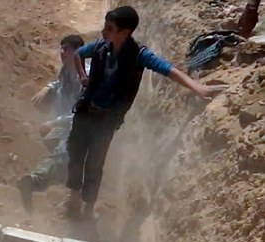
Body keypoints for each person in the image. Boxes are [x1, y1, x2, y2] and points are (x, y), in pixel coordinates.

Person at [65, 6, 226, 220]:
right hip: (85, 111)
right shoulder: (101, 46)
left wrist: (197, 87)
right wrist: (82, 76)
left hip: (106, 121)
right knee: (75, 155)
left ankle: (88, 210)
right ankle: (73, 200)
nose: (104, 32)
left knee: (94, 164)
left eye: (109, 28)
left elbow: (167, 69)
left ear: (124, 32)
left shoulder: (138, 55)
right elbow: (78, 54)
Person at [17, 35, 87, 213]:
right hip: (65, 123)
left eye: (67, 49)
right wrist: (48, 87)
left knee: (64, 152)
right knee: (50, 140)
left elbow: (83, 114)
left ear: (77, 52)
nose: (62, 52)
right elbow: (60, 83)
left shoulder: (85, 78)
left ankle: (34, 181)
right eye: (61, 48)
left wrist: (55, 122)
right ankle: (66, 173)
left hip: (82, 127)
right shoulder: (67, 70)